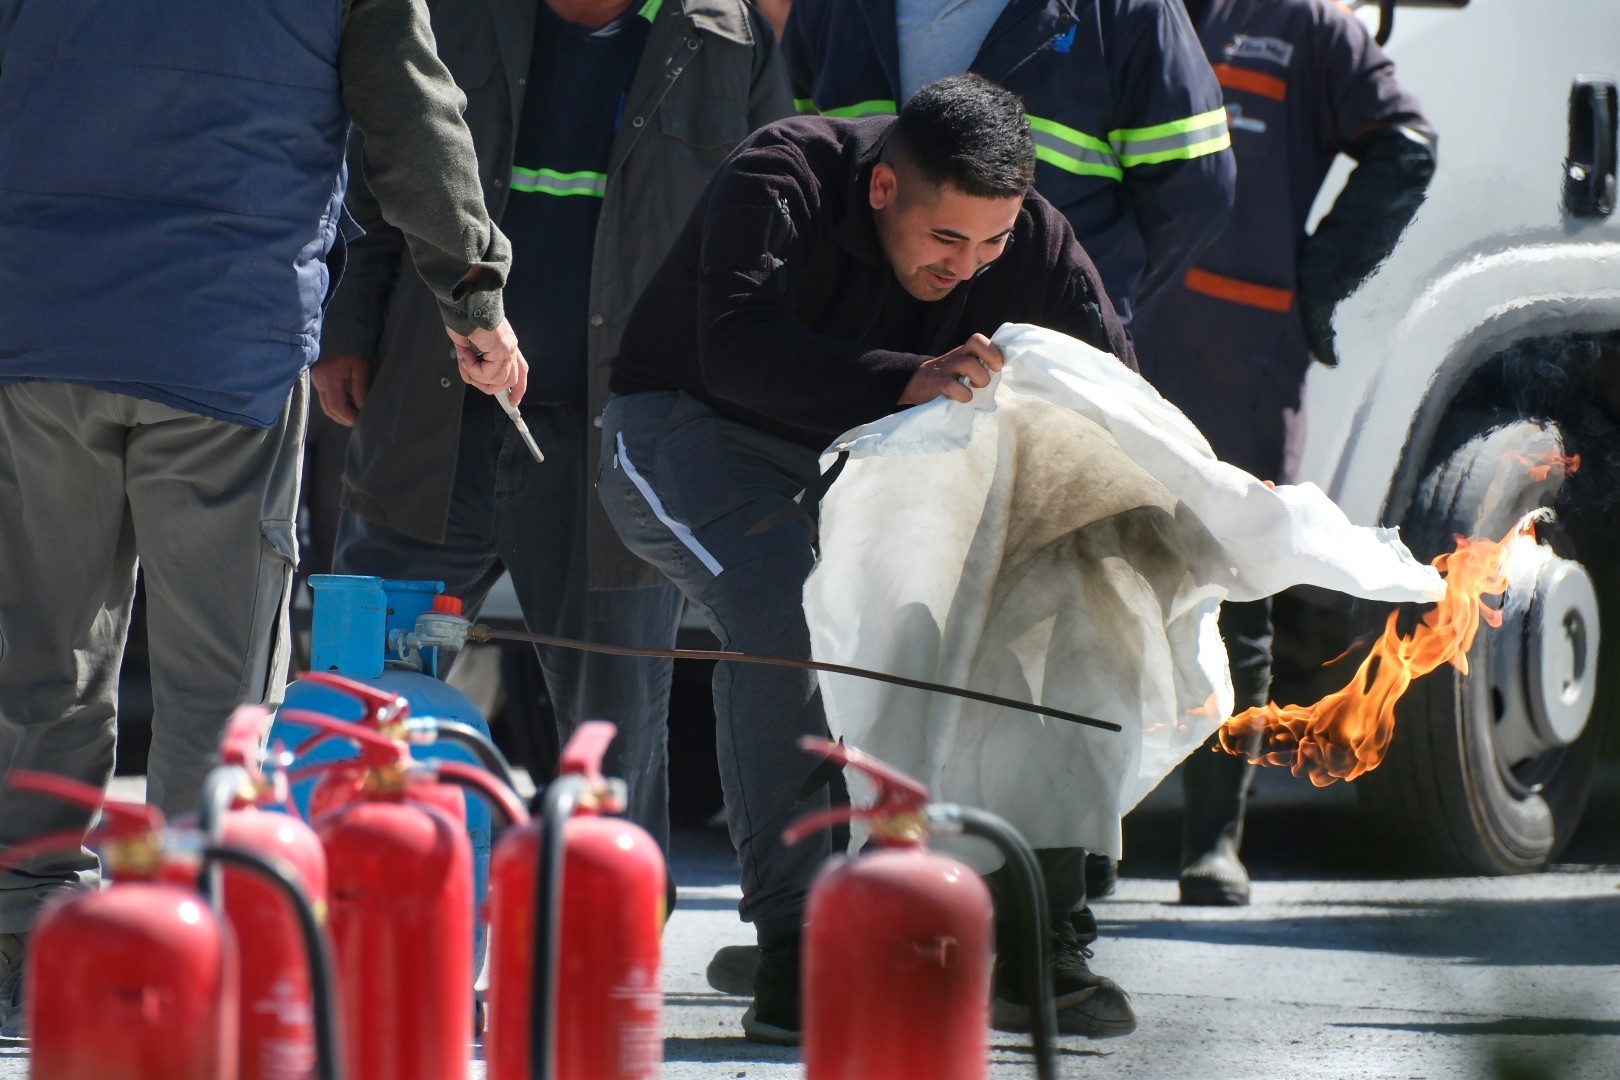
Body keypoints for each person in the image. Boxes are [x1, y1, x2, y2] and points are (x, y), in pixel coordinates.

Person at [0, 0, 523, 1038]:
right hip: (222, 340)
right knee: (221, 678)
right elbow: (413, 118)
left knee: (42, 651)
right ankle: (192, 938)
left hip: (41, 321)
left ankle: (23, 935)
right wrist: (472, 294)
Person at [599, 73, 1139, 1043]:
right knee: (788, 620)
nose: (969, 267)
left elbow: (1116, 391)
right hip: (690, 428)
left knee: (1054, 596)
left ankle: (1038, 943)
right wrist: (910, 380)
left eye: (992, 242)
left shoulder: (1034, 236)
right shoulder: (781, 172)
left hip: (868, 467)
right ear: (884, 188)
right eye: (945, 240)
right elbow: (731, 350)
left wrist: (1205, 491)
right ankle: (795, 947)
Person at [312, 0, 793, 864]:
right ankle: (335, 918)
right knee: (359, 704)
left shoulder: (729, 37)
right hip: (432, 422)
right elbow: (382, 171)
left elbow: (766, 239)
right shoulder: (449, 15)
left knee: (614, 739)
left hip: (619, 449)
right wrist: (347, 326)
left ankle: (618, 944)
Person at [1130, 0, 1436, 905]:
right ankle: (1086, 834)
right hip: (1126, 343)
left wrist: (1320, 281)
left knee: (1240, 587)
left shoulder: (1309, 26)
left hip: (1244, 358)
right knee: (1102, 579)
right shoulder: (1136, 13)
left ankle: (1212, 843)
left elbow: (1405, 145)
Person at [779, 0, 1236, 327]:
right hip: (863, 347)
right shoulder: (827, 9)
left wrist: (1092, 297)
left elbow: (1194, 195)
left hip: (1036, 361)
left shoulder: (1127, 11)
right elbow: (813, 165)